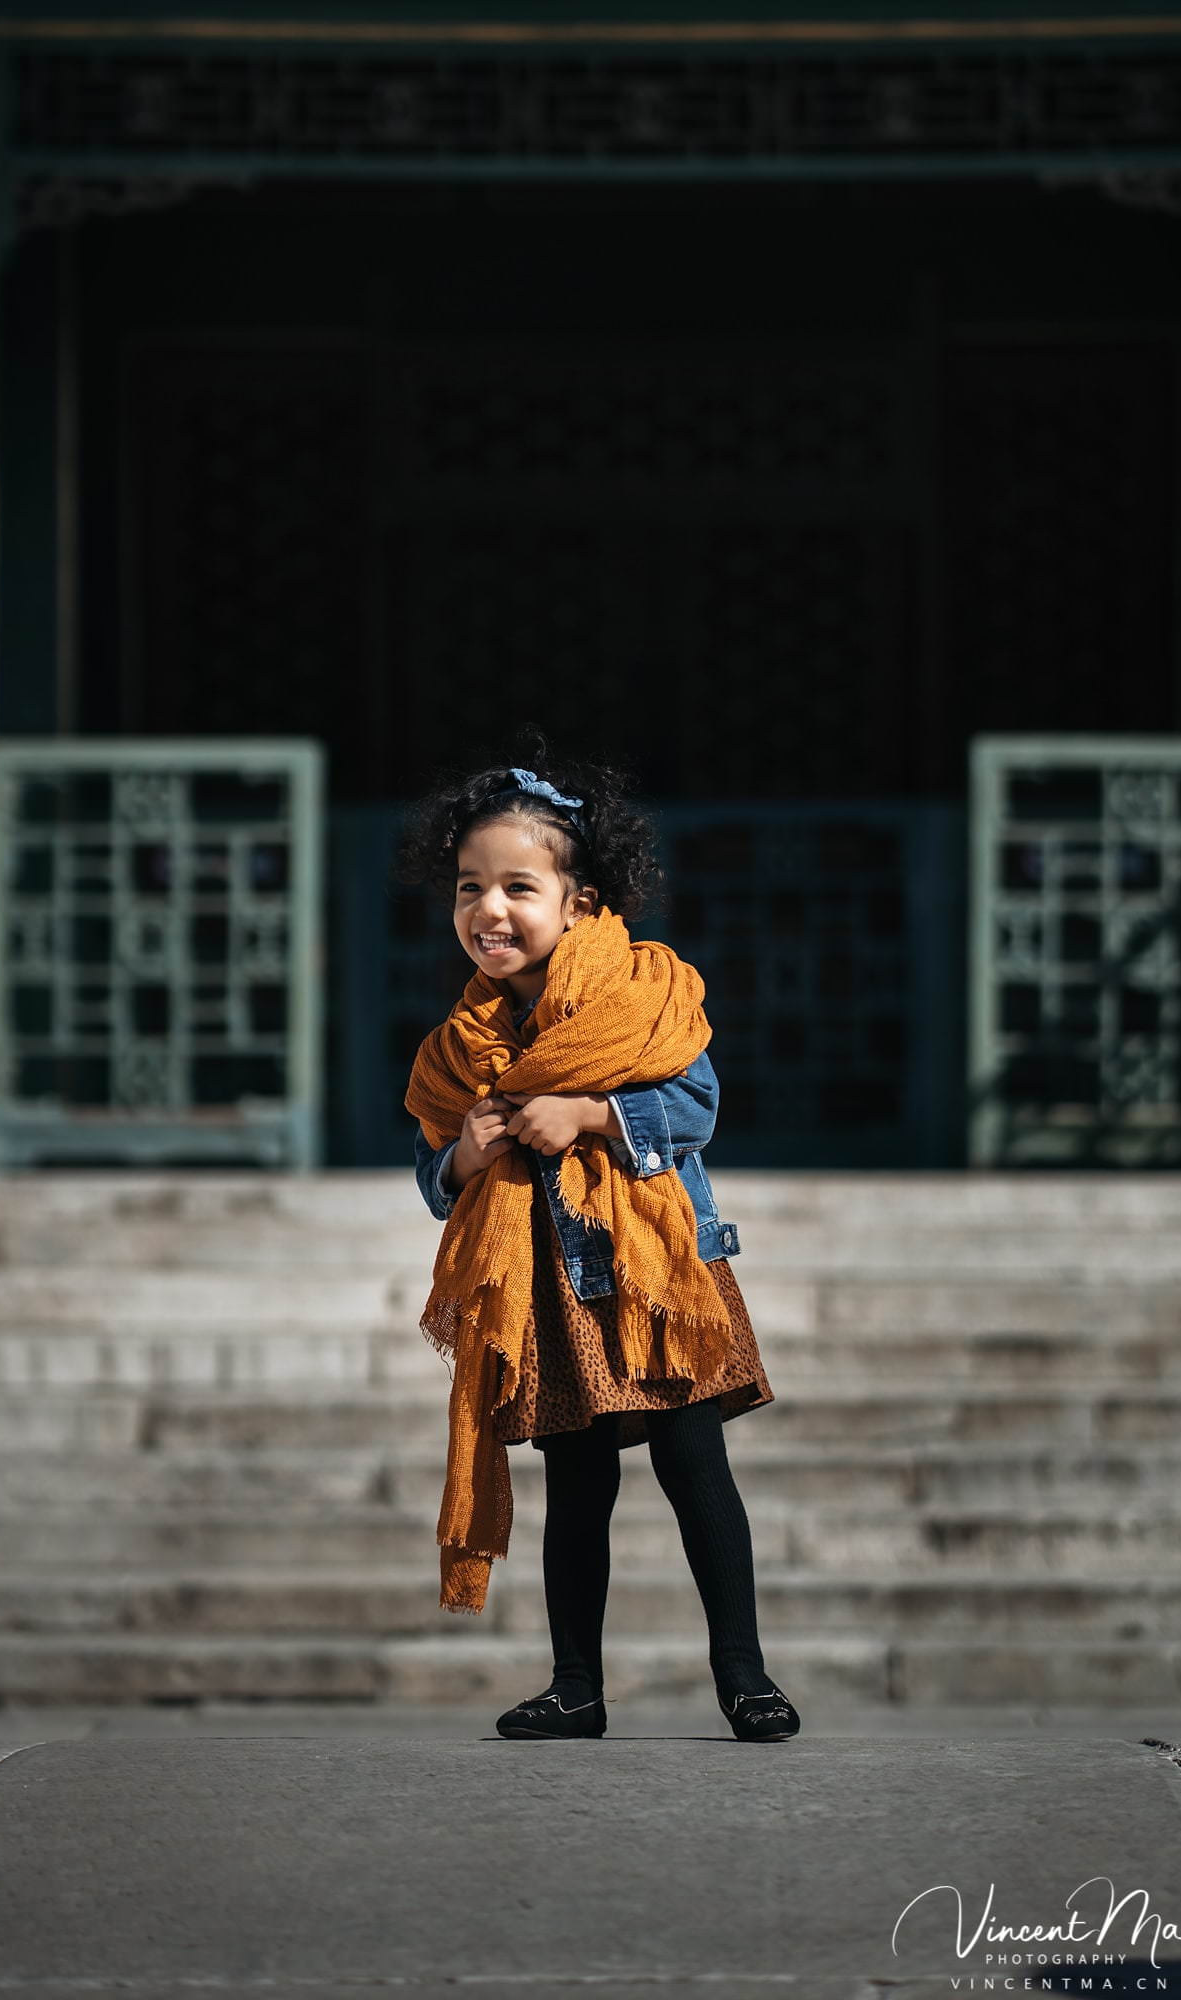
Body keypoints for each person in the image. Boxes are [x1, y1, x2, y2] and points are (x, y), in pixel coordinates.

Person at [399, 733, 800, 1744]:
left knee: (692, 1462)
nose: (489, 909)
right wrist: (464, 1157)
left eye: (518, 886)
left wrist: (587, 1115)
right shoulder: (463, 1044)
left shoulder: (644, 990)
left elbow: (696, 1104)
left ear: (578, 901)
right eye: (467, 888)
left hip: (655, 1272)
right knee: (577, 1481)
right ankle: (575, 1683)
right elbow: (432, 1165)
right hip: (547, 1288)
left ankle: (742, 1673)